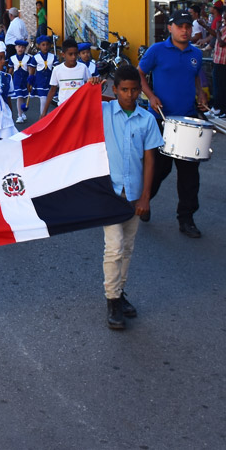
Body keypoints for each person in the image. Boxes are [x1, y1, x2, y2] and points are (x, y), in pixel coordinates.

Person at [97, 66, 163, 330]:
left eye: (134, 90)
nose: (129, 95)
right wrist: (92, 87)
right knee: (113, 247)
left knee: (127, 248)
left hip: (133, 194)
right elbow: (75, 106)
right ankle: (112, 299)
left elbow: (150, 160)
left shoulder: (146, 120)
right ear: (114, 89)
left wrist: (145, 197)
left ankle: (120, 291)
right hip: (109, 193)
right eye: (124, 89)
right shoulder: (103, 112)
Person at [137, 10, 207, 237]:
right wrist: (151, 96)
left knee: (189, 174)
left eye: (188, 26)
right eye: (180, 26)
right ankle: (144, 201)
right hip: (161, 120)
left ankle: (186, 219)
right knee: (159, 168)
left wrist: (201, 94)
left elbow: (195, 76)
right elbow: (140, 73)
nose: (185, 30)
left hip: (187, 120)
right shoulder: (156, 50)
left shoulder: (196, 53)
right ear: (170, 28)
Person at [42, 38, 90, 116]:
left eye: (75, 54)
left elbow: (90, 85)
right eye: (70, 54)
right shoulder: (57, 70)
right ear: (63, 55)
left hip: (80, 109)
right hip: (63, 109)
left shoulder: (83, 68)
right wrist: (44, 112)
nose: (73, 57)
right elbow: (52, 90)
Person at [29, 35, 56, 116]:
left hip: (50, 82)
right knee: (43, 100)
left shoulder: (53, 57)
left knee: (50, 100)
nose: (45, 47)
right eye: (43, 45)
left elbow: (57, 69)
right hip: (40, 82)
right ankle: (43, 117)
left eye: (47, 44)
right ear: (39, 46)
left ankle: (47, 116)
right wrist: (30, 81)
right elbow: (32, 70)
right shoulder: (35, 57)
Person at [8, 39, 32, 124]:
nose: (20, 49)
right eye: (19, 47)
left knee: (24, 97)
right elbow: (10, 70)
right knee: (19, 97)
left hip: (25, 81)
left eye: (22, 47)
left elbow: (30, 69)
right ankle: (19, 116)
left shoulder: (28, 58)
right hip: (17, 81)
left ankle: (22, 112)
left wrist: (30, 79)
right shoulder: (12, 58)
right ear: (15, 47)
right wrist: (8, 79)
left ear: (25, 49)